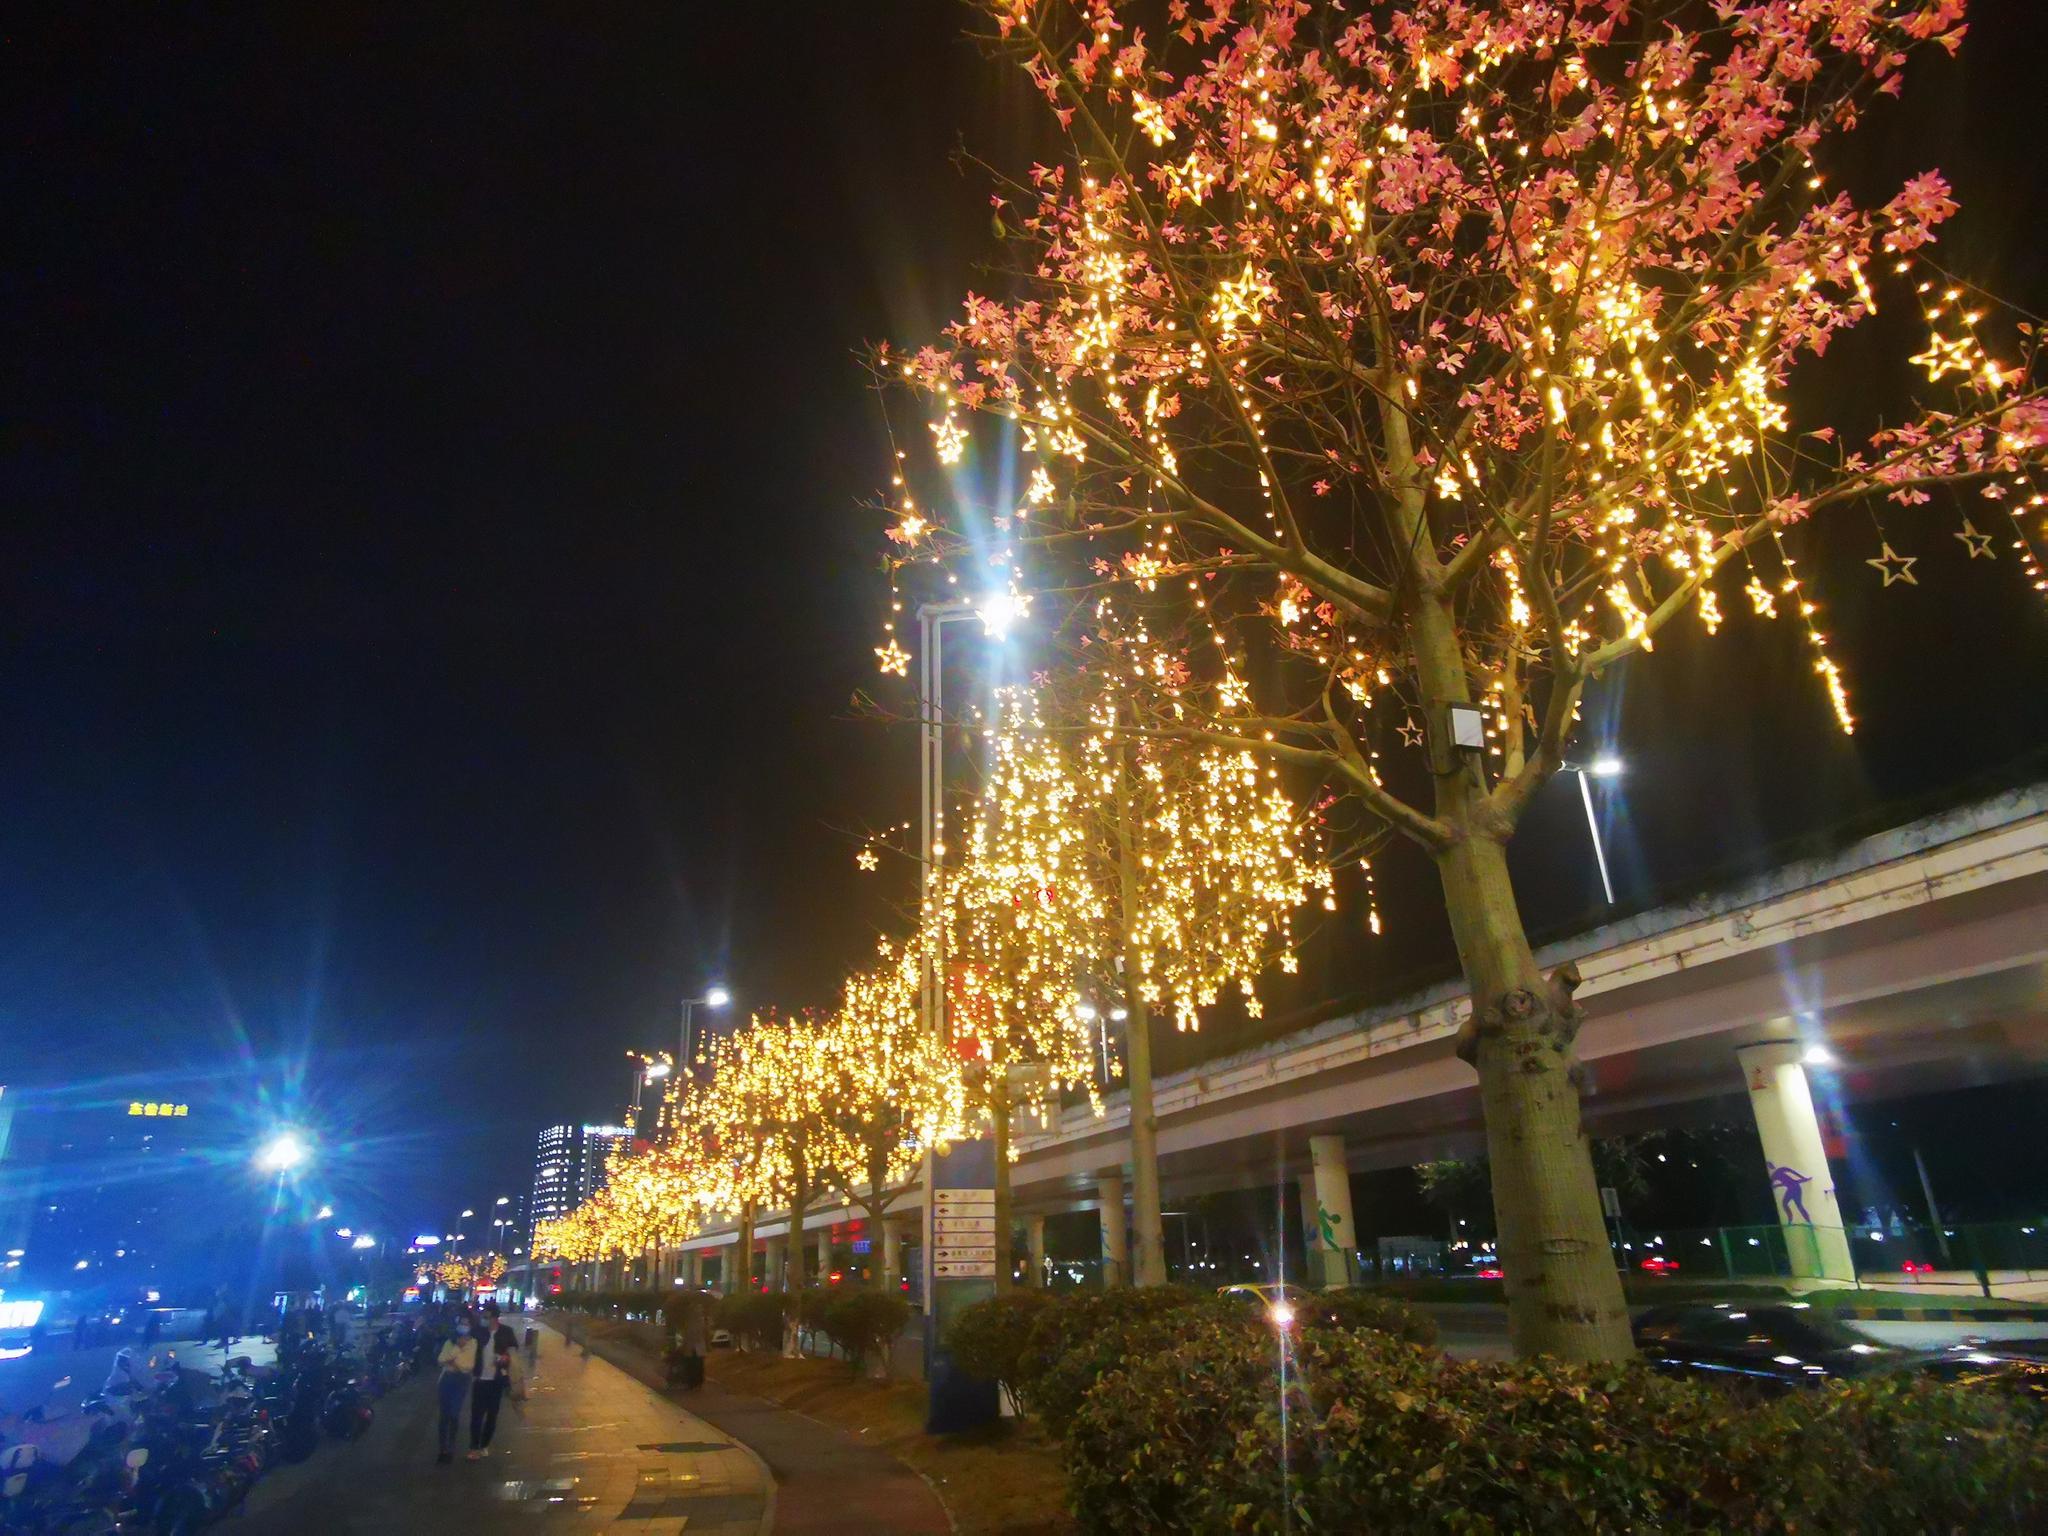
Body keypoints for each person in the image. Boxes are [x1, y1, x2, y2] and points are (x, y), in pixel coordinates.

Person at [466, 1302, 519, 1460]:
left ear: (495, 1318)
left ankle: (484, 1444)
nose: (484, 1320)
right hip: (480, 1379)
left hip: (497, 1379)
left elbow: (514, 1351)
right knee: (476, 1415)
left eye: (487, 1317)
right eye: (483, 1317)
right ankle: (474, 1447)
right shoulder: (478, 1332)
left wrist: (505, 1358)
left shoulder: (506, 1332)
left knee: (492, 1415)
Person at [434, 1311, 476, 1465]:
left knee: (454, 1414)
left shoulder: (473, 1343)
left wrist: (453, 1362)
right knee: (444, 1415)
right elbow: (441, 1359)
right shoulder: (450, 1342)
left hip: (461, 1381)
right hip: (446, 1380)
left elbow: (468, 1366)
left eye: (466, 1323)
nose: (463, 1326)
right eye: (461, 1323)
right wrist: (457, 1348)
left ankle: (451, 1446)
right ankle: (443, 1449)